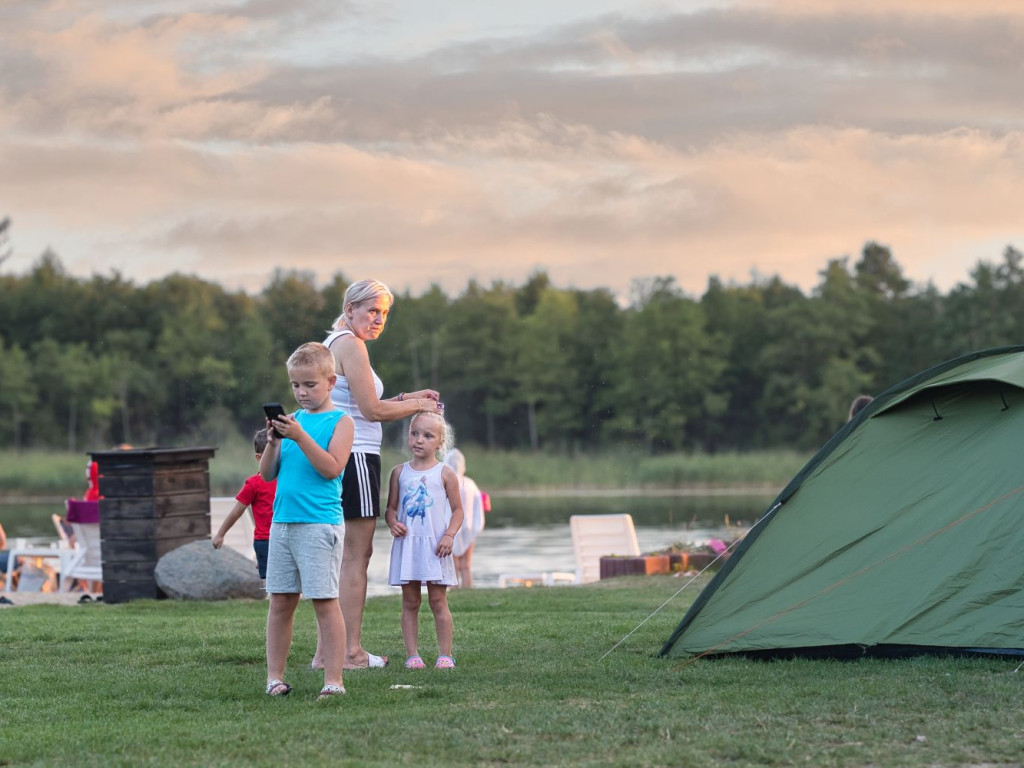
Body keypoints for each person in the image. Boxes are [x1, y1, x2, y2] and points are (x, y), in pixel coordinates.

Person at [311, 278, 444, 671]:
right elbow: (369, 411)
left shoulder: (340, 342)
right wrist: (421, 404)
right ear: (350, 308)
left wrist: (404, 399)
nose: (379, 319)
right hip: (355, 456)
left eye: (384, 313)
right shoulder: (350, 343)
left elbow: (365, 401)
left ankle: (325, 652)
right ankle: (348, 652)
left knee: (343, 555)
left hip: (343, 452)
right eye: (372, 310)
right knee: (356, 555)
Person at [259, 342, 355, 700]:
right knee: (281, 601)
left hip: (319, 524)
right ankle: (274, 678)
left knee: (324, 601)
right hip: (283, 522)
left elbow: (332, 469)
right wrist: (273, 442)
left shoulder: (340, 422)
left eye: (310, 385)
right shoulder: (292, 423)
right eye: (295, 385)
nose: (301, 393)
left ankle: (334, 681)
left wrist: (300, 437)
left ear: (330, 382)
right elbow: (267, 475)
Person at [384, 412, 464, 669]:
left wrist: (449, 535)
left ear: (440, 442)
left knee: (438, 601)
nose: (419, 440)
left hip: (435, 546)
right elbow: (391, 509)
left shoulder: (445, 473)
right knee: (410, 602)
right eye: (414, 433)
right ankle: (413, 655)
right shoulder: (399, 472)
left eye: (428, 436)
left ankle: (445, 654)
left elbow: (458, 510)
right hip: (409, 546)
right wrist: (393, 523)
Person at [212, 428, 277, 588]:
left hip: (287, 537)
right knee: (273, 586)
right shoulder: (254, 484)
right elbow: (237, 511)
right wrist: (221, 534)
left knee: (289, 583)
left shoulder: (287, 479)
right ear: (259, 457)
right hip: (265, 540)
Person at [445, 448, 485, 588]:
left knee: (454, 564)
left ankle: (455, 591)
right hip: (469, 526)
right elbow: (478, 507)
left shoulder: (447, 482)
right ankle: (467, 590)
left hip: (452, 526)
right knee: (466, 565)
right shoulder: (470, 484)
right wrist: (477, 526)